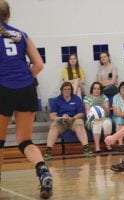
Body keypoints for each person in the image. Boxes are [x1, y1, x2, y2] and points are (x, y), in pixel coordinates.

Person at [0, 1, 52, 198]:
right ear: (8, 15)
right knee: (24, 140)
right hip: (27, 88)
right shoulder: (21, 35)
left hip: (3, 89)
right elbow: (38, 64)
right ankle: (43, 171)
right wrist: (24, 77)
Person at [44, 82, 93, 160]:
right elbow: (52, 116)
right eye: (65, 89)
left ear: (71, 90)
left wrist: (72, 118)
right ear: (62, 90)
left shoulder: (76, 99)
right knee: (53, 127)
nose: (67, 91)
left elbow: (81, 113)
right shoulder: (57, 100)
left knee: (80, 125)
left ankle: (86, 148)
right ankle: (48, 150)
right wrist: (60, 118)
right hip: (61, 121)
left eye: (69, 89)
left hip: (74, 119)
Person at [83, 82, 113, 153]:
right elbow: (87, 113)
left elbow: (108, 114)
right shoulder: (87, 98)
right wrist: (94, 104)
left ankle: (107, 144)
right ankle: (97, 147)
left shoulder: (104, 97)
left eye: (99, 89)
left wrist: (103, 106)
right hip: (91, 119)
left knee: (108, 123)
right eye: (95, 88)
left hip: (104, 117)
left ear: (101, 90)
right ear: (92, 89)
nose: (96, 90)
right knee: (97, 123)